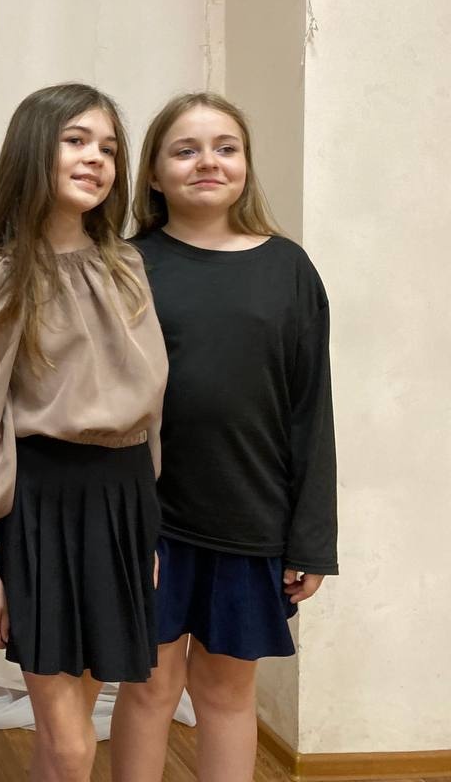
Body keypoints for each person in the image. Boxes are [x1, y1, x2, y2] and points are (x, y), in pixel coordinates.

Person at [110, 92, 337, 782]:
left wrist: (311, 539)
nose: (207, 161)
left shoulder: (288, 269)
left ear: (245, 164)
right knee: (149, 686)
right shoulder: (124, 266)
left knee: (226, 692)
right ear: (154, 174)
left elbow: (310, 410)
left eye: (225, 148)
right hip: (153, 521)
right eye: (186, 150)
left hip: (251, 518)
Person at [0, 83, 167, 782]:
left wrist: (147, 531)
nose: (96, 158)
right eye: (76, 141)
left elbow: (150, 409)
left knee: (63, 739)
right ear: (33, 149)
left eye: (108, 147)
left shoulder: (125, 265)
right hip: (39, 506)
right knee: (72, 743)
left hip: (123, 501)